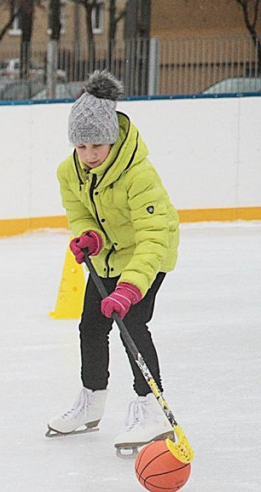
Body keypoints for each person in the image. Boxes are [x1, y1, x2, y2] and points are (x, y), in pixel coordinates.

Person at [46, 70, 180, 457]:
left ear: (113, 138)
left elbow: (154, 236)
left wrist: (130, 287)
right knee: (90, 325)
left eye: (97, 145)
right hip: (107, 257)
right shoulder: (68, 171)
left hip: (147, 253)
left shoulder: (139, 175)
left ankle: (149, 408)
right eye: (82, 145)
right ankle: (92, 400)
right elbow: (78, 212)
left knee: (133, 323)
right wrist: (89, 236)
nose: (89, 155)